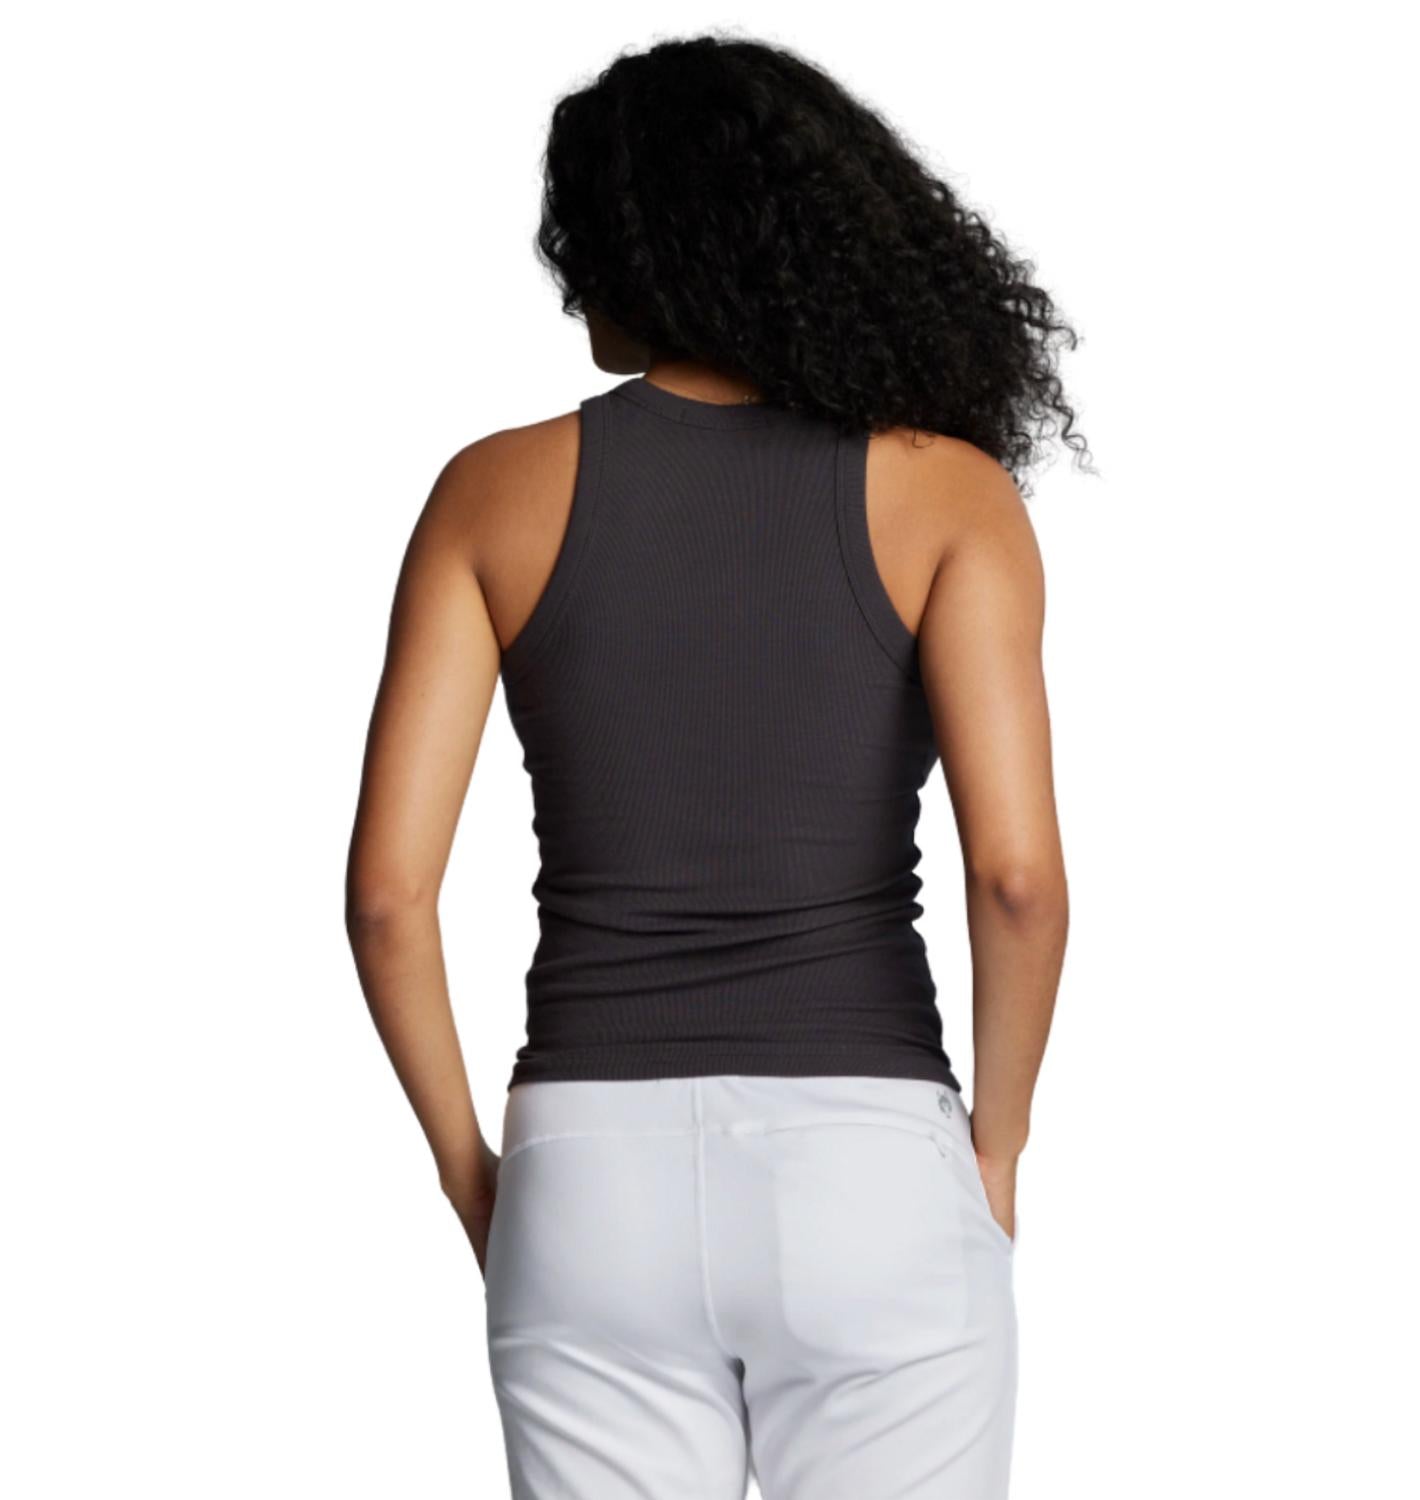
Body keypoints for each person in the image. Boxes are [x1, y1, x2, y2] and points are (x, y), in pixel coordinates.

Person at [346, 32, 1083, 1500]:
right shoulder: (949, 497)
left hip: (585, 1172)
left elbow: (386, 898)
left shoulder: (490, 494)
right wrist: (994, 1151)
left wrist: (472, 1173)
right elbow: (1016, 878)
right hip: (870, 1166)